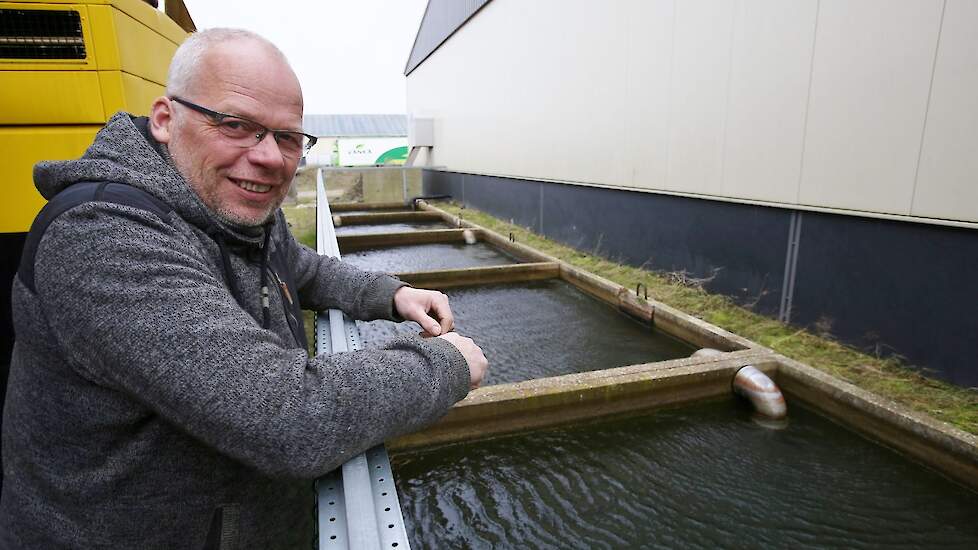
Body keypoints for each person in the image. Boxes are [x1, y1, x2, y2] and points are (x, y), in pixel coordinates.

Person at [0, 28, 488, 548]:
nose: (270, 158)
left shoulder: (233, 209)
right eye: (236, 125)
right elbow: (287, 416)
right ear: (166, 120)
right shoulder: (105, 237)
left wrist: (389, 294)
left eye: (288, 137)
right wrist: (446, 362)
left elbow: (296, 265)